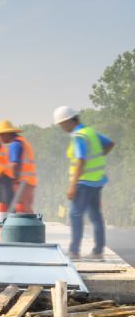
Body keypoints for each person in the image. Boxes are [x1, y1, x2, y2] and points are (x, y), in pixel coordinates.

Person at [55, 105, 116, 259]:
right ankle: (98, 251)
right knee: (96, 216)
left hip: (83, 183)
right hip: (97, 181)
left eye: (61, 124)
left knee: (75, 215)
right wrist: (99, 157)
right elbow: (110, 144)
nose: (61, 127)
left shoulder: (79, 136)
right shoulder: (90, 132)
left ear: (68, 121)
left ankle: (74, 251)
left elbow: (81, 160)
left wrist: (72, 186)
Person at [0, 121, 36, 216]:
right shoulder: (22, 141)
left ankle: (27, 230)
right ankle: (31, 229)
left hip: (22, 182)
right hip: (28, 182)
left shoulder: (15, 144)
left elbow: (15, 164)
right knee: (26, 209)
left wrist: (12, 180)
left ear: (8, 133)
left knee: (21, 210)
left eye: (1, 135)